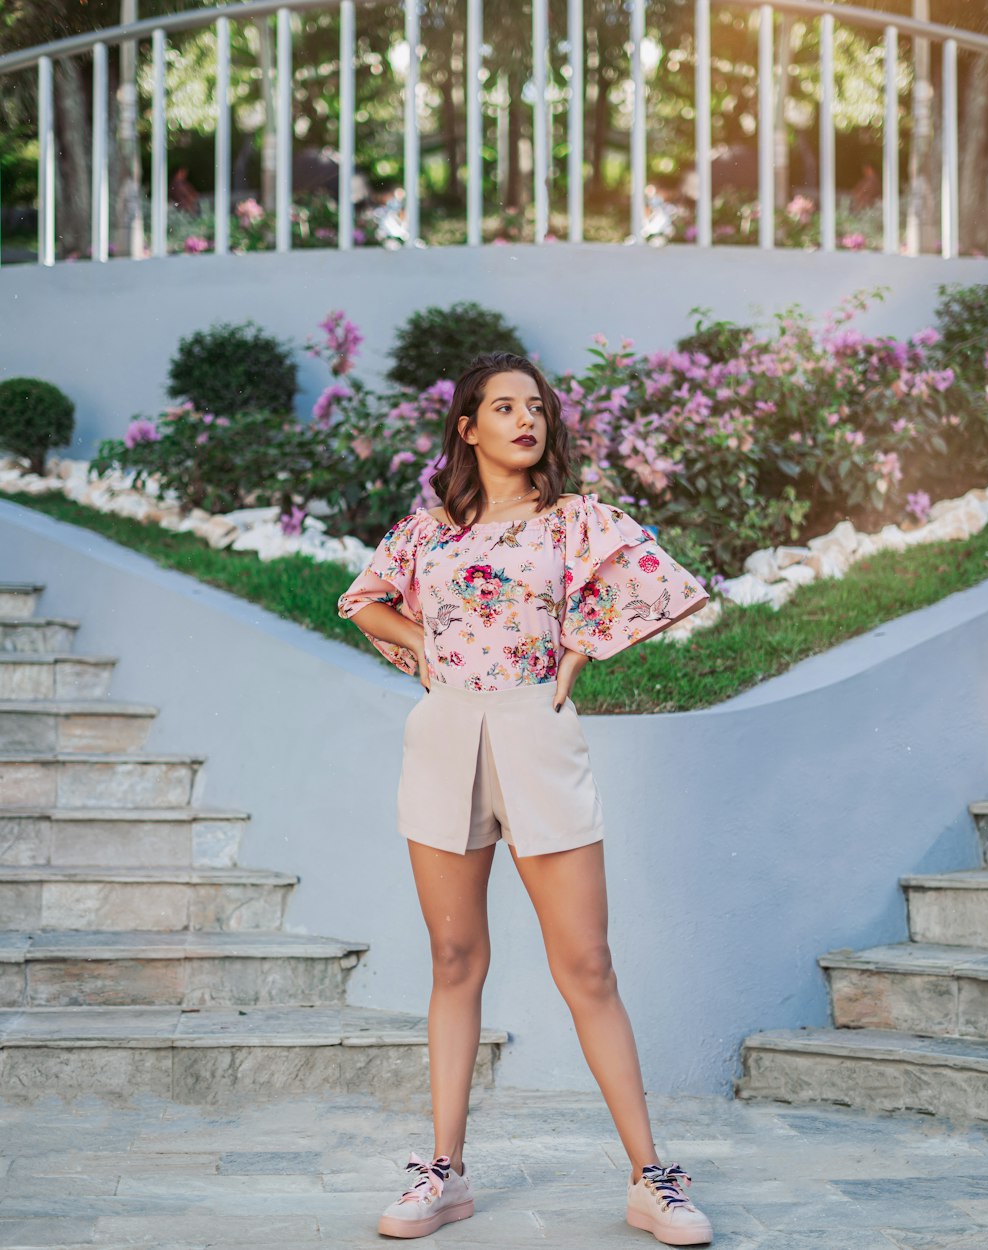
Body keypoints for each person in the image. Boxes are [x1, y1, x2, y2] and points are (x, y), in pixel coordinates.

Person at [336, 351, 714, 1247]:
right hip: (443, 740)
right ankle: (446, 1172)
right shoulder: (425, 534)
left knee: (587, 965)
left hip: (536, 735)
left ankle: (650, 1178)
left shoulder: (575, 521)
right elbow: (362, 600)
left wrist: (581, 645)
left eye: (535, 407)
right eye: (502, 407)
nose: (524, 419)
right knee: (454, 956)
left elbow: (652, 583)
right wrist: (425, 652)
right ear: (466, 429)